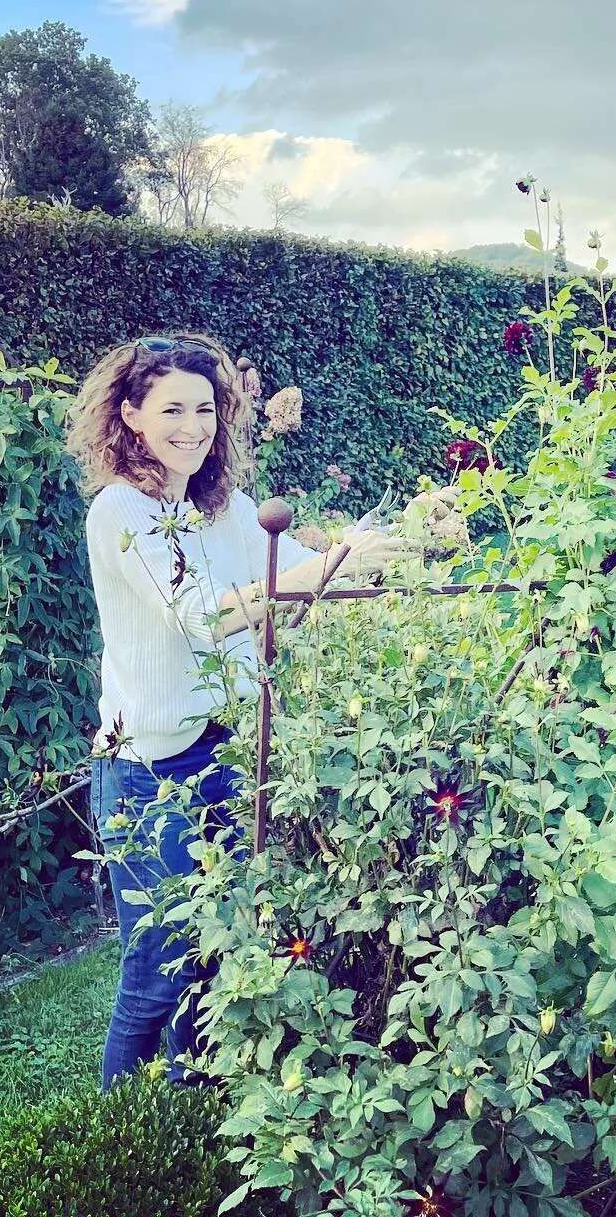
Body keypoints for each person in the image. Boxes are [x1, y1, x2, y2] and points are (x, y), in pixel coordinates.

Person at [65, 333, 413, 1090]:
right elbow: (197, 616)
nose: (192, 427)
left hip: (227, 755)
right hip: (146, 771)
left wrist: (374, 554)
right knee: (159, 965)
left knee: (219, 951)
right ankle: (115, 1119)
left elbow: (301, 588)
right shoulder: (120, 511)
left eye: (206, 410)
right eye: (171, 410)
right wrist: (323, 565)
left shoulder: (226, 510)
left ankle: (189, 1106)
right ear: (129, 416)